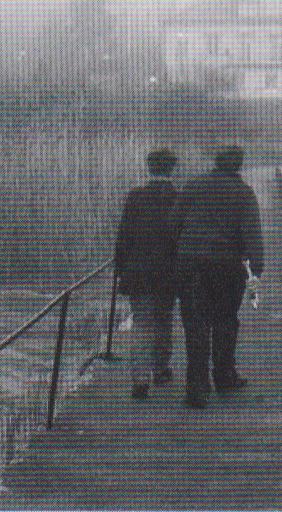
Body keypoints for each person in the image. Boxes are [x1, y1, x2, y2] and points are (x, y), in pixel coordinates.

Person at [173, 145, 264, 409]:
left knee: (195, 324)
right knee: (226, 320)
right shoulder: (244, 193)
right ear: (238, 165)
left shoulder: (193, 186)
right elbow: (252, 234)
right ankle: (224, 376)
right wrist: (255, 271)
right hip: (227, 266)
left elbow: (174, 223)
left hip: (190, 262)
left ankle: (197, 387)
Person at [114, 148, 179, 400]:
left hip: (139, 272)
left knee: (141, 324)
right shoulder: (178, 197)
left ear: (149, 169)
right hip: (168, 273)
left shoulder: (135, 197)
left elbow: (123, 237)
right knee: (164, 319)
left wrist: (121, 269)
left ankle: (140, 380)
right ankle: (160, 368)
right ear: (172, 169)